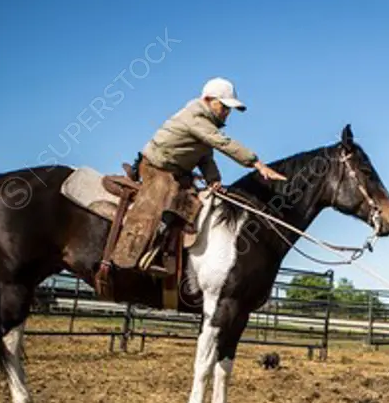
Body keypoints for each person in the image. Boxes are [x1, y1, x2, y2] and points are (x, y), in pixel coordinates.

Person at [109, 77, 287, 275]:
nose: (227, 113)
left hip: (179, 172)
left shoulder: (207, 125)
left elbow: (205, 157)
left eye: (229, 109)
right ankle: (128, 255)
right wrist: (256, 163)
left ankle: (172, 252)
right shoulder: (195, 116)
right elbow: (222, 143)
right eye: (224, 106)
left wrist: (213, 179)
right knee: (161, 197)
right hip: (155, 167)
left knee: (193, 204)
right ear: (208, 99)